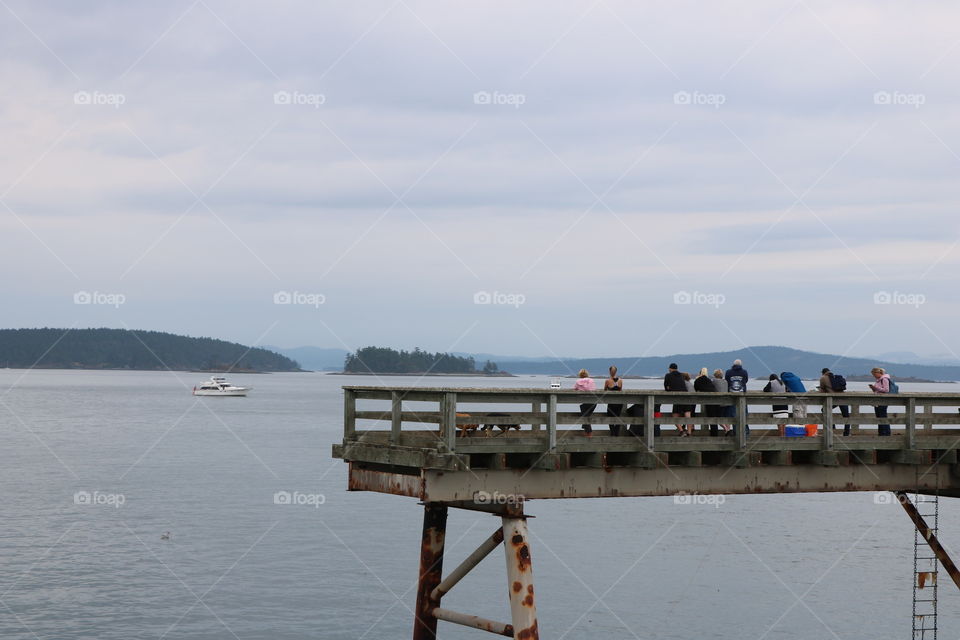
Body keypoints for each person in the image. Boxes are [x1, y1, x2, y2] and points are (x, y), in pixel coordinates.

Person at [819, 367, 851, 436]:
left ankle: (833, 427)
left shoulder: (823, 378)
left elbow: (821, 390)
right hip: (843, 398)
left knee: (824, 409)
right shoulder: (836, 377)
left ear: (823, 373)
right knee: (846, 416)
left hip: (834, 399)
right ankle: (846, 433)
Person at [725, 359, 749, 436]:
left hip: (732, 396)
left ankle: (736, 433)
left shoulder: (728, 372)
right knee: (744, 415)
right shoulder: (744, 372)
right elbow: (746, 380)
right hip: (742, 395)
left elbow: (727, 381)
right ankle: (746, 433)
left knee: (733, 415)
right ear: (741, 364)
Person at [664, 363, 689, 436]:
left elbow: (666, 388)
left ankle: (681, 431)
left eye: (669, 368)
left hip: (677, 398)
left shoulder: (668, 375)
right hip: (686, 397)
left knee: (674, 416)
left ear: (670, 368)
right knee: (686, 414)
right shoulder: (682, 375)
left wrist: (670, 389)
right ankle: (688, 431)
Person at [694, 367, 718, 436]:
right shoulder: (709, 380)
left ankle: (711, 434)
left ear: (700, 373)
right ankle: (714, 434)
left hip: (707, 399)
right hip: (714, 399)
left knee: (710, 416)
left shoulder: (698, 380)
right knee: (713, 417)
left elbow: (695, 389)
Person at [869, 366, 891, 436]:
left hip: (883, 401)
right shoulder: (878, 380)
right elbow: (878, 390)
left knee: (883, 416)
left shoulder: (884, 379)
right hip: (878, 401)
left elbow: (886, 390)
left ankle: (886, 433)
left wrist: (876, 387)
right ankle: (881, 433)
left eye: (874, 374)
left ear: (878, 373)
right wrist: (873, 388)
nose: (874, 376)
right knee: (879, 417)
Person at [574, 369, 597, 436]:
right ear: (587, 374)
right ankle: (587, 431)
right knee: (586, 416)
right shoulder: (591, 381)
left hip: (586, 402)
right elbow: (594, 389)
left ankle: (589, 433)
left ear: (580, 375)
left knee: (585, 416)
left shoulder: (578, 382)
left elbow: (575, 388)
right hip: (594, 402)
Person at [604, 366, 624, 436]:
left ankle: (612, 432)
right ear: (616, 371)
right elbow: (620, 390)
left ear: (609, 372)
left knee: (610, 417)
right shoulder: (620, 381)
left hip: (611, 402)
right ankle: (616, 432)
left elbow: (605, 390)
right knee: (618, 417)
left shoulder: (607, 381)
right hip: (619, 402)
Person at [712, 369, 733, 435]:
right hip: (727, 402)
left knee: (718, 418)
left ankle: (726, 429)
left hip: (719, 403)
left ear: (715, 375)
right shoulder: (725, 381)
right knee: (726, 417)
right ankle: (728, 429)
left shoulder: (714, 381)